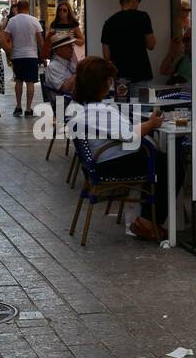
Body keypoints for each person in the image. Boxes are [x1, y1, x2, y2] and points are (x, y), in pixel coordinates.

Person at [73, 56, 174, 241]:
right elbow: (129, 135)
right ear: (103, 83)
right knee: (169, 165)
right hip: (111, 164)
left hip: (103, 160)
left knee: (159, 159)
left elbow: (123, 132)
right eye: (110, 80)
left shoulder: (86, 108)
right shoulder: (99, 111)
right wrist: (151, 124)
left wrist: (147, 124)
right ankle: (147, 222)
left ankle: (147, 218)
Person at [100, 0, 155, 97]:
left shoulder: (109, 22)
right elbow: (151, 45)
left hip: (120, 81)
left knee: (123, 113)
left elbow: (106, 56)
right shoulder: (143, 17)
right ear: (135, 0)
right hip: (142, 76)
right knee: (145, 111)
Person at [4, 0, 43, 117]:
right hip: (31, 56)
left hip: (17, 56)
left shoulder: (12, 21)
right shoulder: (34, 21)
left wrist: (10, 52)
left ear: (18, 8)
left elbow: (6, 38)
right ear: (28, 7)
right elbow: (40, 41)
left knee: (19, 81)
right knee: (30, 82)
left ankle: (18, 106)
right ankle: (28, 108)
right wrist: (44, 55)